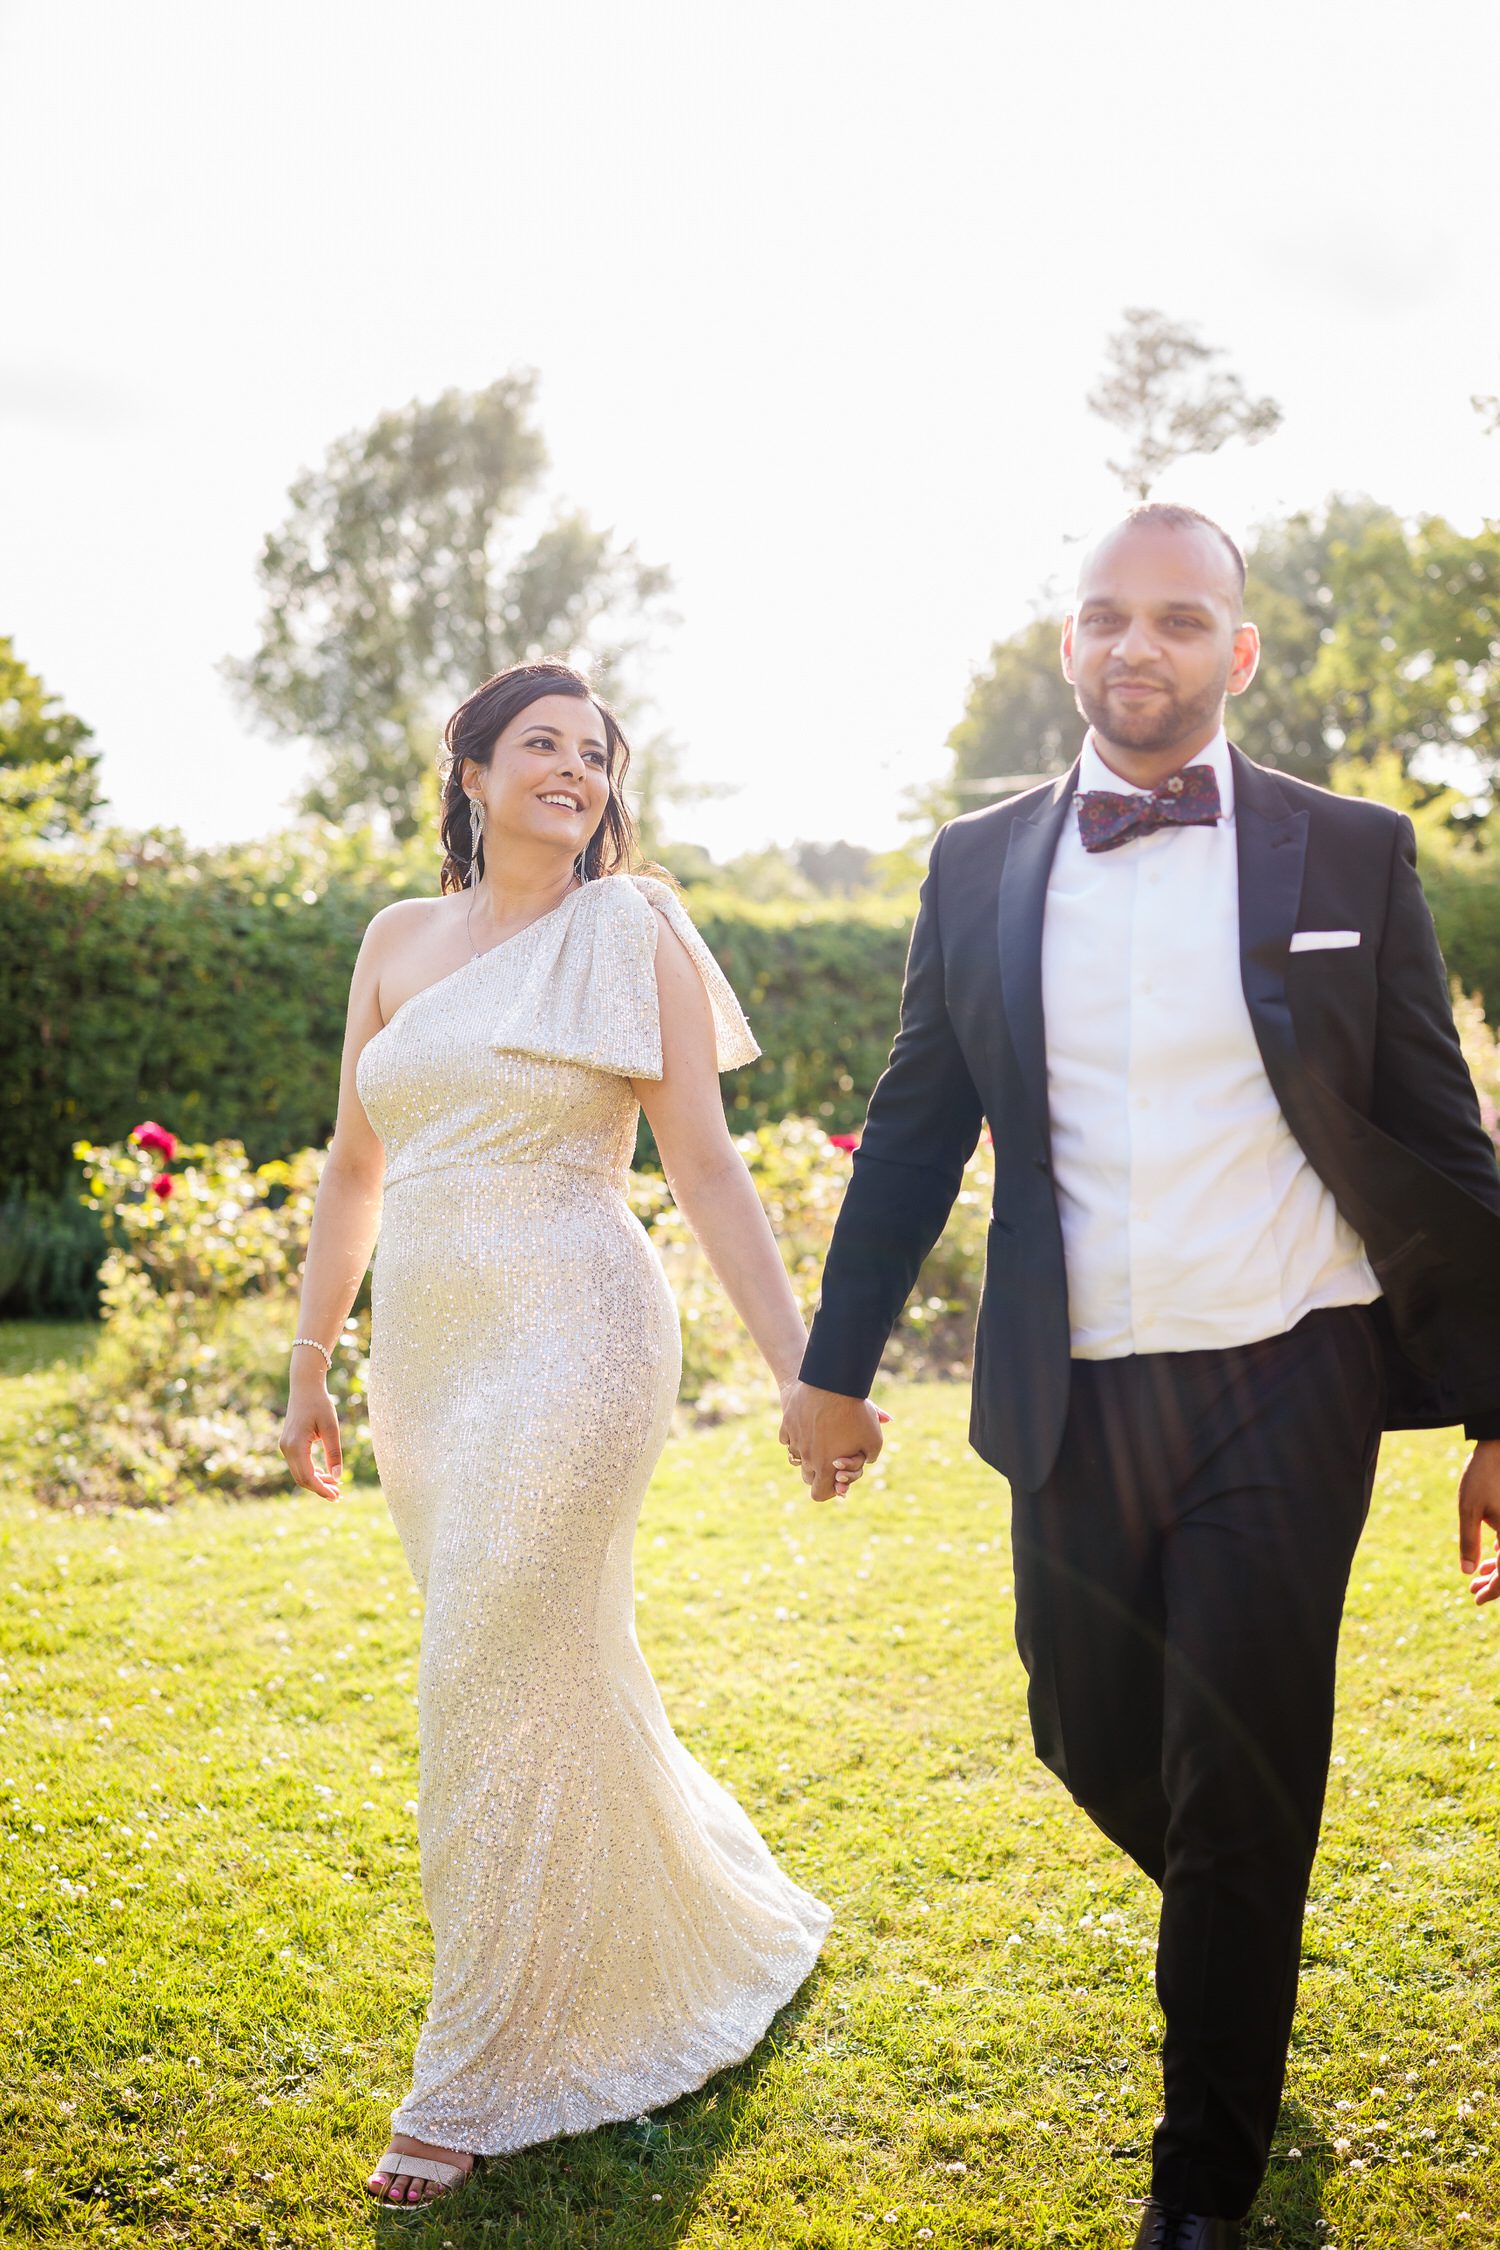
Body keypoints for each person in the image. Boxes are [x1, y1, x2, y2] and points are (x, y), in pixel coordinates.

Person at [780, 505, 1500, 2250]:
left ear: (1238, 652)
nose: (1139, 647)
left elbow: (1442, 1132)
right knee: (1089, 1730)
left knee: (1242, 1771)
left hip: (1291, 1370)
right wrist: (835, 1363)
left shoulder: (1353, 853)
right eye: (1105, 616)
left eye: (1180, 618)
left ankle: (1203, 2184)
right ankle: (1237, 1927)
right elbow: (915, 1134)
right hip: (1077, 1384)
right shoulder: (977, 863)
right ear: (1066, 648)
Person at [280, 660, 859, 2206]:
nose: (573, 770)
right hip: (432, 1356)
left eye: (594, 754)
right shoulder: (395, 942)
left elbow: (710, 1169)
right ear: (468, 770)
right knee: (541, 1663)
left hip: (579, 1338)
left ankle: (471, 2072)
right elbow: (354, 1167)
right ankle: (699, 1919)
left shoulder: (635, 930)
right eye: (539, 744)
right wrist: (310, 1363)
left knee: (477, 1661)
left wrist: (810, 1367)